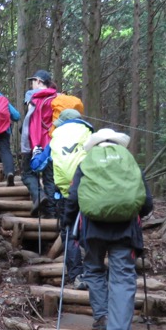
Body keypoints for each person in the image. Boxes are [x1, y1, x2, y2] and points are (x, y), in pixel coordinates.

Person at [62, 128, 153, 330]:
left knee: (93, 269)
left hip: (92, 230)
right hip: (125, 231)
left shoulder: (86, 163)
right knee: (123, 278)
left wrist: (66, 222)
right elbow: (147, 202)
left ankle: (102, 316)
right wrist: (136, 215)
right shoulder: (129, 162)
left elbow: (73, 198)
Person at [48, 109, 93, 289]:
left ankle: (76, 275)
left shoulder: (55, 137)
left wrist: (35, 156)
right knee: (89, 231)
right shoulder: (90, 134)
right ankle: (93, 272)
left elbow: (39, 164)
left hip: (65, 193)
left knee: (68, 234)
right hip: (89, 192)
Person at [22, 70, 58, 215]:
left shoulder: (33, 96)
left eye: (33, 81)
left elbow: (29, 122)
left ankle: (39, 196)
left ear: (38, 81)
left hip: (34, 143)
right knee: (50, 179)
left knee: (28, 174)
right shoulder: (57, 98)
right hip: (53, 144)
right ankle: (51, 215)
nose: (31, 84)